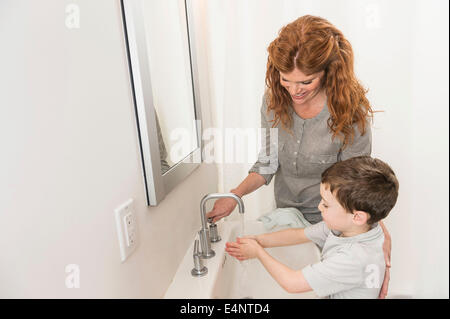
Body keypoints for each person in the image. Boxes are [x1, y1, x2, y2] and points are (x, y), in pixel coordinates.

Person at [206, 15, 392, 298]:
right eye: (285, 80)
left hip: (331, 222)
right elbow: (267, 163)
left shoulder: (349, 111)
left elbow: (356, 186)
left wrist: (377, 246)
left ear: (328, 71)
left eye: (306, 81)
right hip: (288, 214)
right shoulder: (273, 101)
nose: (294, 90)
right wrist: (235, 196)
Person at [225, 156, 399, 299]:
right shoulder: (350, 229)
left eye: (326, 205)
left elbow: (292, 283)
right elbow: (299, 235)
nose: (319, 207)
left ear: (357, 217)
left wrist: (258, 253)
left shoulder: (353, 257)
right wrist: (258, 240)